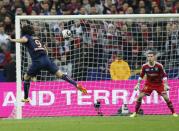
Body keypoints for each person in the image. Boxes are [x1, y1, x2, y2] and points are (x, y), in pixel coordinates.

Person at [8, 25, 87, 102]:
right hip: (47, 60)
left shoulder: (26, 37)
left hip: (37, 61)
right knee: (61, 74)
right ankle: (76, 84)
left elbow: (24, 40)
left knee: (26, 77)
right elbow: (45, 49)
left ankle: (26, 98)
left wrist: (12, 40)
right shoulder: (37, 38)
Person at [130, 51, 178, 117]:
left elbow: (164, 75)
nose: (150, 58)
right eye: (148, 56)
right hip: (148, 84)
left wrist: (166, 84)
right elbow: (141, 76)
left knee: (166, 98)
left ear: (154, 57)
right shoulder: (144, 66)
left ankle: (173, 112)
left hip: (159, 84)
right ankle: (135, 113)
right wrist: (137, 84)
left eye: (151, 56)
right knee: (139, 97)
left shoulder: (159, 65)